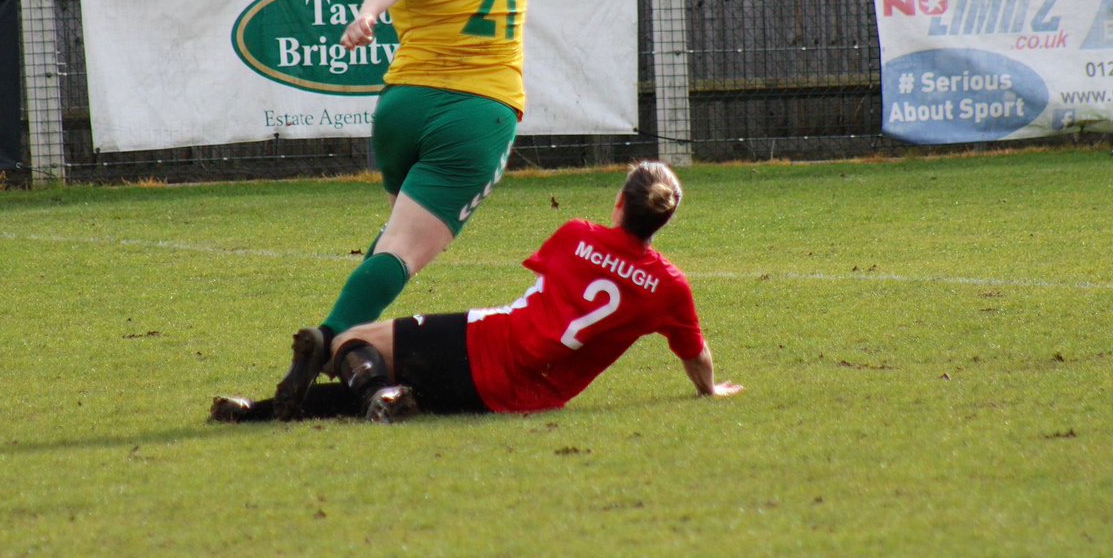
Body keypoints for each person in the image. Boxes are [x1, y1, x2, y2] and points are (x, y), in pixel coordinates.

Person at [273, 0, 529, 420]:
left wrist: (370, 8)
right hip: (476, 113)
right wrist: (376, 0)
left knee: (396, 236)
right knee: (403, 250)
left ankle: (356, 351)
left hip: (402, 107)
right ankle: (332, 339)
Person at [214, 162, 742, 424]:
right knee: (389, 394)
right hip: (520, 397)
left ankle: (355, 394)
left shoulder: (577, 235)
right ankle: (272, 412)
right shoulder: (669, 287)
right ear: (662, 220)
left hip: (486, 343)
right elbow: (696, 355)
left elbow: (562, 275)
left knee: (351, 342)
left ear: (620, 203)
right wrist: (708, 391)